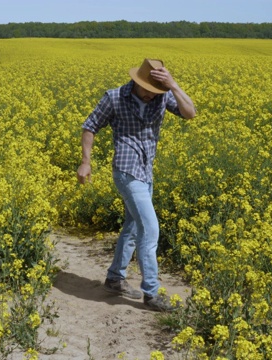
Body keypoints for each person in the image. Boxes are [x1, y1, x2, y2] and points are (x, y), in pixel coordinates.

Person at [77, 58, 196, 311]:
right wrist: (86, 162)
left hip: (146, 172)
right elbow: (90, 126)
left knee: (133, 226)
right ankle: (152, 293)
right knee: (150, 230)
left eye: (157, 90)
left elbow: (190, 113)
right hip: (126, 171)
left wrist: (173, 85)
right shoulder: (115, 97)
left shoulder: (162, 96)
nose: (153, 95)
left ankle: (114, 279)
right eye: (149, 90)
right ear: (137, 81)